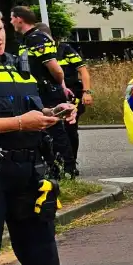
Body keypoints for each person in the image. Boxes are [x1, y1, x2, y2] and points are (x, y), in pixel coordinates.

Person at [0, 12, 90, 265]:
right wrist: (21, 121)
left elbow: (27, 113)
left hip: (27, 172)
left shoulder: (17, 66)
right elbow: (18, 119)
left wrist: (53, 111)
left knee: (42, 258)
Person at [8, 7, 75, 179]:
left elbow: (56, 69)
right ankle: (51, 168)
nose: (10, 22)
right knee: (42, 132)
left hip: (47, 91)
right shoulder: (26, 39)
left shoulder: (37, 37)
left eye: (11, 18)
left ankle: (68, 169)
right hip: (34, 91)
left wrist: (57, 85)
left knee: (56, 131)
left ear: (19, 19)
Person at [36, 23, 92, 176]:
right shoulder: (37, 52)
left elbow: (83, 71)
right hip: (48, 96)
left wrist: (87, 92)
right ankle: (56, 163)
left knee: (70, 131)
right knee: (50, 132)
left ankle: (71, 162)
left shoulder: (64, 49)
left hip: (70, 96)